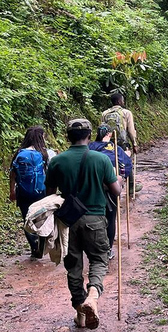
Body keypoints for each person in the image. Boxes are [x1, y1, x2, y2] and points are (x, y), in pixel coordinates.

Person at [46, 118, 122, 330]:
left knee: (73, 266)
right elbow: (116, 192)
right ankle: (94, 295)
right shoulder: (101, 159)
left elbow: (49, 196)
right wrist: (120, 180)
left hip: (68, 221)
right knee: (99, 259)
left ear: (67, 136)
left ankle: (80, 311)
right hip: (95, 218)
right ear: (90, 135)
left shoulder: (57, 162)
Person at [8, 126, 56, 258]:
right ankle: (41, 243)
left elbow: (12, 174)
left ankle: (34, 247)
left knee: (26, 219)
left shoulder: (19, 153)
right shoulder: (47, 153)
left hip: (22, 193)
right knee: (41, 219)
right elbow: (53, 173)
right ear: (41, 138)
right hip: (41, 193)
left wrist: (12, 191)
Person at [88, 124, 132, 260]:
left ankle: (93, 247)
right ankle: (108, 249)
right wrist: (122, 179)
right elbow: (127, 167)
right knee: (111, 218)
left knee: (94, 216)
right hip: (112, 187)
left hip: (93, 187)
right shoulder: (116, 149)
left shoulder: (89, 147)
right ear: (110, 135)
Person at [101, 92, 140, 195]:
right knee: (126, 161)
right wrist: (134, 144)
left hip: (108, 142)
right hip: (122, 143)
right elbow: (131, 130)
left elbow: (102, 129)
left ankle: (110, 184)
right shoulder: (126, 113)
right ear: (119, 101)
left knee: (111, 162)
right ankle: (131, 186)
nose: (123, 102)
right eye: (122, 100)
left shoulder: (105, 113)